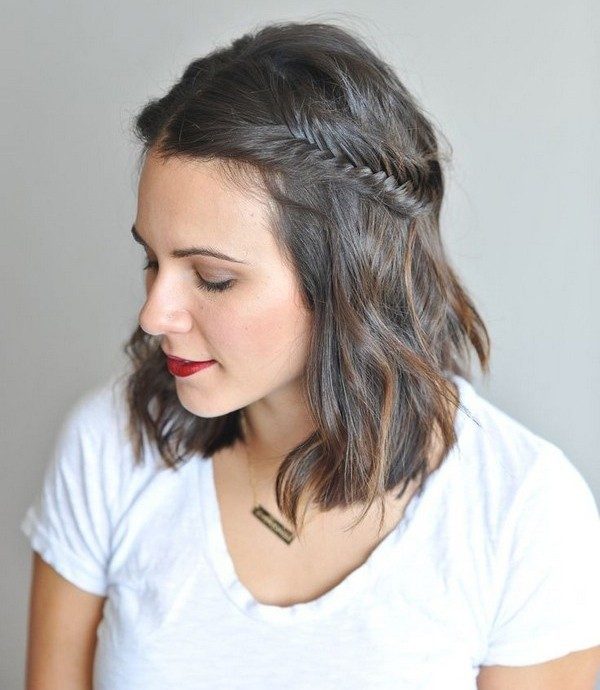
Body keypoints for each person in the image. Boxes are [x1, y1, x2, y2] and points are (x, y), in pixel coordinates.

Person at [20, 20, 600, 690]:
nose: (154, 314)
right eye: (153, 259)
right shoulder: (110, 446)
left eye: (212, 277)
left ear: (348, 279)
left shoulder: (524, 513)